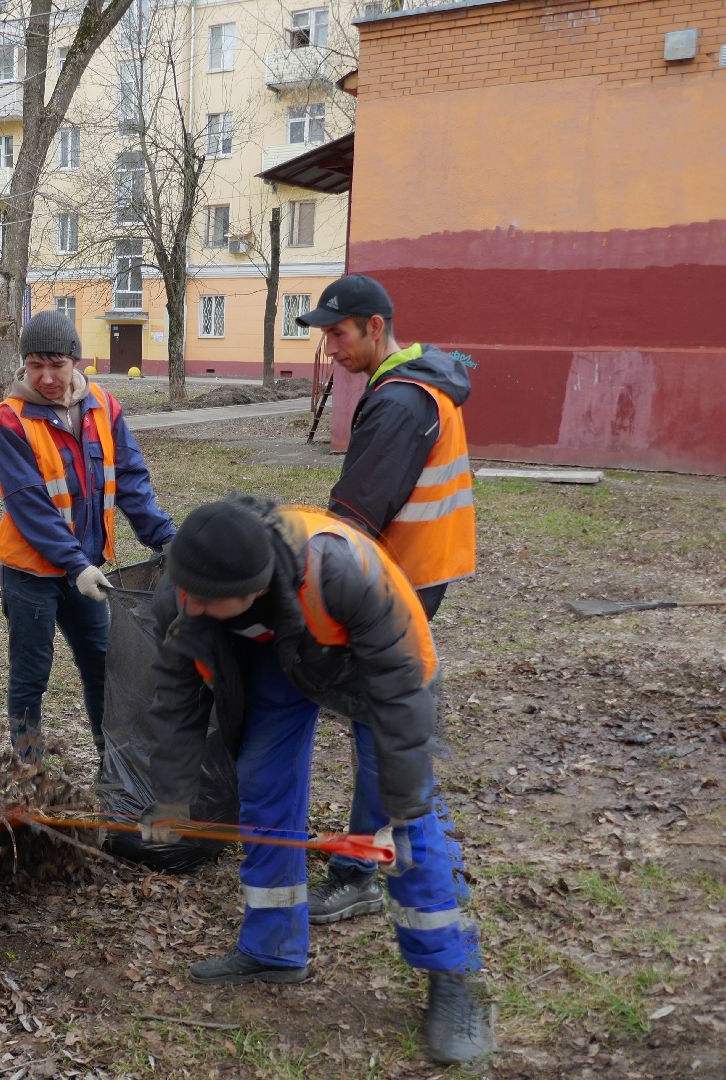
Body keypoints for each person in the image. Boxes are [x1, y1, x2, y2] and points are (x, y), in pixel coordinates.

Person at [139, 496, 492, 1065]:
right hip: (286, 662)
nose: (193, 606)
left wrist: (401, 800)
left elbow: (401, 691)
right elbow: (175, 701)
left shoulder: (341, 570)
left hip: (383, 671)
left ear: (253, 586)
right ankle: (274, 947)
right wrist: (171, 797)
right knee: (263, 781)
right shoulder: (185, 594)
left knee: (404, 816)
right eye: (189, 593)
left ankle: (452, 975)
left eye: (208, 598)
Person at [296, 273, 476, 926]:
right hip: (418, 577)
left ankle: (359, 871)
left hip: (394, 589)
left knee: (378, 727)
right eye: (323, 337)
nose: (329, 350)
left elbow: (354, 519)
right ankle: (379, 849)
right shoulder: (419, 384)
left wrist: (304, 578)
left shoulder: (401, 404)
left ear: (376, 328)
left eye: (337, 334)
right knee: (384, 723)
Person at [0, 309, 176, 762]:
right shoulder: (11, 419)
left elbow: (130, 479)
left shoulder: (104, 407)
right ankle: (27, 767)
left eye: (56, 364)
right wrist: (75, 563)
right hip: (32, 573)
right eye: (35, 365)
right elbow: (30, 503)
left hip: (90, 572)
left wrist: (166, 539)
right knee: (30, 675)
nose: (47, 376)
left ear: (75, 360)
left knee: (103, 669)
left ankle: (112, 764)